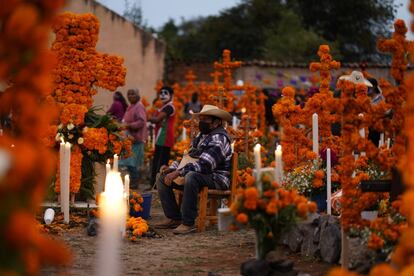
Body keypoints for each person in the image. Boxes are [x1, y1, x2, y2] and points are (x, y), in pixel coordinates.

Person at [155, 105, 233, 235]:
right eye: (200, 118)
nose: (201, 122)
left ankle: (188, 223)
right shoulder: (202, 136)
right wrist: (172, 168)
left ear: (216, 122)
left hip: (217, 177)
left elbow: (206, 165)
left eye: (205, 119)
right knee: (162, 177)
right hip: (201, 173)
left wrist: (179, 172)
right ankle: (174, 218)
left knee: (191, 176)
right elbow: (189, 157)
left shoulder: (219, 138)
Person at [119, 89, 147, 189]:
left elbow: (141, 122)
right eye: (129, 94)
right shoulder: (131, 106)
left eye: (133, 94)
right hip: (130, 139)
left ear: (138, 95)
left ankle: (135, 183)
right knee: (129, 162)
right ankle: (132, 182)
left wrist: (128, 125)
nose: (130, 96)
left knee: (132, 162)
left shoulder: (139, 106)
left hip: (136, 139)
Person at [148, 86, 176, 187]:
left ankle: (158, 185)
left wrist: (146, 116)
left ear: (171, 95)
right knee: (157, 161)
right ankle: (154, 184)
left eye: (166, 93)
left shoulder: (169, 107)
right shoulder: (163, 107)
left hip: (165, 138)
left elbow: (157, 119)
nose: (163, 95)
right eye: (161, 93)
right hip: (160, 138)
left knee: (161, 162)